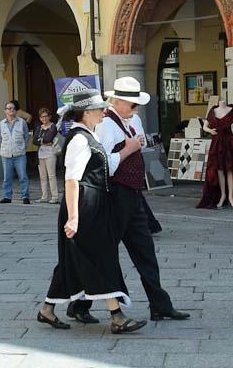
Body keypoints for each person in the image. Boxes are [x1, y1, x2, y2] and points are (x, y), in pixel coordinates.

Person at [68, 77, 189, 323]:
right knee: (101, 251)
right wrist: (131, 148)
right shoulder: (105, 125)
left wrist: (137, 146)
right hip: (114, 196)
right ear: (120, 102)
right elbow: (104, 165)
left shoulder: (133, 119)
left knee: (145, 250)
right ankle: (79, 302)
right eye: (133, 105)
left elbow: (139, 144)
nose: (136, 110)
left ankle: (160, 304)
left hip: (134, 195)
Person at [38, 89, 147, 334]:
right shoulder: (79, 139)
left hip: (93, 204)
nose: (104, 112)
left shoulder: (88, 135)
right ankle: (116, 316)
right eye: (100, 109)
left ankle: (47, 309)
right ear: (87, 113)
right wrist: (74, 217)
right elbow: (71, 181)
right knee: (101, 256)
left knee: (75, 260)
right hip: (84, 206)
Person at [197, 97, 233, 209]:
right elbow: (204, 126)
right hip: (217, 143)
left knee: (230, 170)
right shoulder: (213, 111)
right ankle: (223, 196)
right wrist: (210, 130)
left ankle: (231, 197)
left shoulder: (232, 110)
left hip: (229, 142)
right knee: (220, 171)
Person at [0, 100, 31, 204]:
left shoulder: (22, 122)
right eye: (9, 108)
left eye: (13, 108)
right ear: (5, 111)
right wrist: (3, 149)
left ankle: (25, 196)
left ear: (16, 111)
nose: (11, 110)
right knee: (7, 177)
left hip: (19, 154)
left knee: (23, 176)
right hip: (6, 155)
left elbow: (26, 136)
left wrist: (23, 147)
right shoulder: (1, 124)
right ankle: (7, 196)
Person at [33, 107, 61, 204]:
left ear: (49, 117)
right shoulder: (39, 128)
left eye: (45, 116)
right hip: (40, 154)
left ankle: (55, 196)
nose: (44, 119)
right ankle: (44, 196)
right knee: (43, 176)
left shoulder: (53, 126)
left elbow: (48, 138)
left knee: (51, 175)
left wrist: (41, 140)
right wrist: (43, 141)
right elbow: (34, 141)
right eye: (42, 117)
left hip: (50, 153)